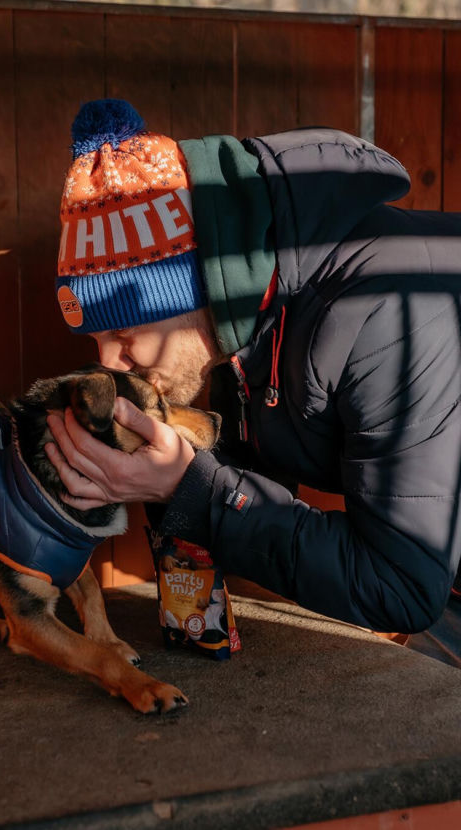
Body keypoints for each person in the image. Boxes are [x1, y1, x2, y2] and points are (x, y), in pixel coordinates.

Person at [45, 98, 461, 635]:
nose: (106, 361)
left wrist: (186, 488)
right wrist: (158, 475)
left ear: (194, 292)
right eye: (95, 338)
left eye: (124, 334)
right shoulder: (234, 321)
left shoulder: (389, 309)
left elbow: (400, 585)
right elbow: (244, 483)